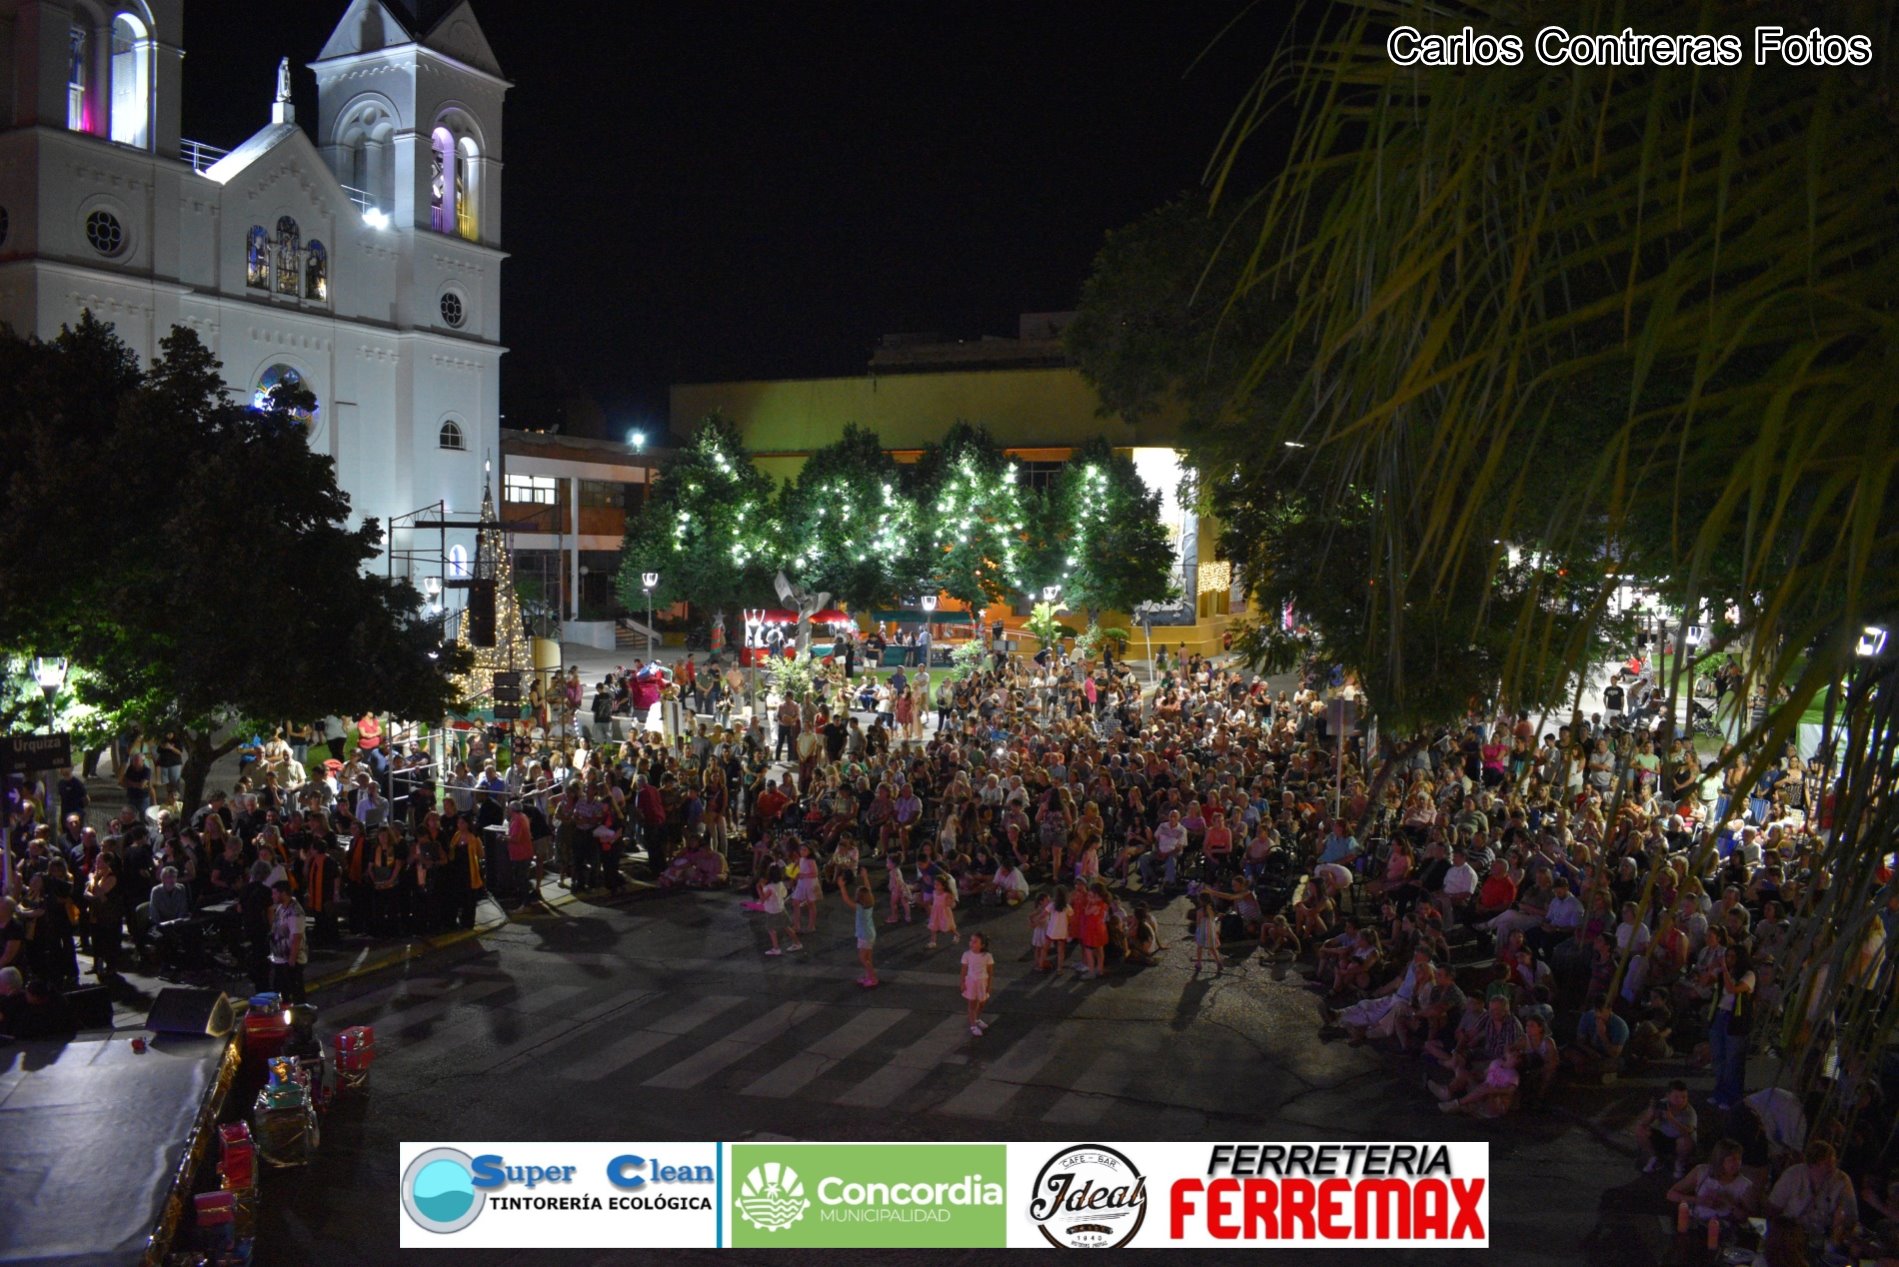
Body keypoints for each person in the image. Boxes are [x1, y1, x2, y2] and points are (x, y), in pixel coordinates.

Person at [1767, 1139, 1858, 1248]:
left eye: (1833, 1163)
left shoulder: (1842, 1181)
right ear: (1811, 1165)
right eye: (1826, 1165)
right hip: (1791, 1237)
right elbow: (1773, 1209)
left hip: (1823, 1241)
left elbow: (1851, 1217)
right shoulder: (1793, 1175)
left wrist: (1839, 1223)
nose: (1832, 1169)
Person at [1668, 1138, 1753, 1250]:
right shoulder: (1702, 1172)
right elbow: (1671, 1194)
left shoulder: (1745, 1185)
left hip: (1723, 1232)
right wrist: (1699, 1200)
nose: (1736, 1164)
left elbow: (1745, 1217)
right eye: (1732, 1160)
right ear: (1720, 1160)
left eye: (1739, 1159)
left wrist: (1727, 1201)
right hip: (1696, 1226)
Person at [1635, 1080, 1701, 1179]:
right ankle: (1654, 1158)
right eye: (1676, 1097)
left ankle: (1680, 1163)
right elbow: (1644, 1123)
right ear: (1668, 1096)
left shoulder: (1690, 1113)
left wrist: (1671, 1118)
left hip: (1679, 1141)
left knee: (1686, 1141)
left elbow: (1687, 1132)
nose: (1681, 1100)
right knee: (1640, 1129)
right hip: (1664, 1136)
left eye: (1684, 1097)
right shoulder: (1663, 1104)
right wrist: (1651, 1112)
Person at [835, 873, 879, 988]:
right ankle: (869, 976)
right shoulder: (870, 904)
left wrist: (842, 886)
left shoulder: (860, 908)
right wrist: (865, 877)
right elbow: (868, 889)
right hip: (870, 933)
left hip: (864, 935)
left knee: (863, 958)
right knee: (868, 958)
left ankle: (872, 978)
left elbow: (846, 899)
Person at [268, 880, 307, 1004]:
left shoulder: (295, 912)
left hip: (290, 960)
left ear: (283, 893)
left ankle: (299, 1012)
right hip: (280, 959)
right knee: (281, 991)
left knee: (295, 990)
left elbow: (297, 937)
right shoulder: (281, 908)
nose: (272, 896)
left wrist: (292, 959)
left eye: (275, 893)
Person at [757, 870, 801, 956]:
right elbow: (784, 894)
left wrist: (758, 888)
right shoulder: (779, 884)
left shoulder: (769, 888)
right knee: (786, 927)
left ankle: (776, 948)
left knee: (771, 929)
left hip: (772, 911)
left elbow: (762, 899)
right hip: (780, 908)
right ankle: (797, 943)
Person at [961, 931, 995, 1035]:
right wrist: (962, 982)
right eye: (971, 941)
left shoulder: (987, 956)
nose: (971, 943)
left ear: (982, 945)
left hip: (982, 982)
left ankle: (977, 1019)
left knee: (982, 1002)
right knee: (972, 1004)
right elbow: (963, 970)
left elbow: (990, 971)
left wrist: (989, 985)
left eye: (975, 941)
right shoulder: (967, 954)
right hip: (971, 981)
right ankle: (973, 1026)